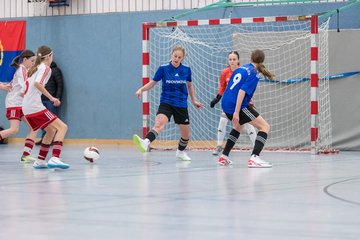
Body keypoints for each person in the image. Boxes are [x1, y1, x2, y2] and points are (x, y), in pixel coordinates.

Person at [133, 45, 203, 161]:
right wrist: (141, 89)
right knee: (159, 124)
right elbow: (152, 82)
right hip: (166, 102)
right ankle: (146, 142)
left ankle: (180, 152)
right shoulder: (163, 68)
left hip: (181, 104)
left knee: (186, 135)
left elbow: (189, 85)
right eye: (175, 56)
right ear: (171, 55)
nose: (176, 59)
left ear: (183, 58)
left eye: (179, 57)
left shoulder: (186, 69)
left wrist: (194, 100)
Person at [218, 49, 274, 168]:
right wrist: (237, 112)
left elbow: (232, 88)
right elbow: (241, 91)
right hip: (236, 105)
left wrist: (247, 103)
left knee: (238, 126)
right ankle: (255, 157)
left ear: (251, 58)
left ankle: (224, 156)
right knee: (265, 127)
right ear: (262, 60)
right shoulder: (254, 73)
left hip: (226, 103)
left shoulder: (241, 68)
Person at [22, 45, 69, 169]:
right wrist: (52, 98)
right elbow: (38, 84)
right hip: (34, 107)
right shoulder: (45, 68)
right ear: (48, 56)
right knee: (62, 127)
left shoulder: (35, 68)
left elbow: (26, 89)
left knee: (51, 130)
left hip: (26, 107)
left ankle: (40, 160)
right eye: (52, 56)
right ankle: (55, 158)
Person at [210, 51, 257, 155]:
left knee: (248, 123)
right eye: (230, 59)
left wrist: (249, 101)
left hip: (241, 104)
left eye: (234, 59)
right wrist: (216, 99)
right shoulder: (224, 72)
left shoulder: (244, 71)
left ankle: (256, 147)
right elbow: (222, 87)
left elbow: (247, 89)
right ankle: (219, 146)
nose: (232, 61)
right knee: (222, 121)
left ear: (238, 60)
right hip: (229, 103)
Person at [0, 50, 39, 162]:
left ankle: (26, 155)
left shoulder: (25, 70)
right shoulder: (22, 69)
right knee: (14, 129)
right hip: (14, 103)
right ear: (25, 60)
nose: (33, 63)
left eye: (34, 61)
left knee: (34, 126)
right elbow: (24, 87)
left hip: (21, 104)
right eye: (32, 61)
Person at [36, 61, 63, 145]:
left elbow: (60, 85)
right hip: (41, 100)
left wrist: (57, 98)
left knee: (53, 120)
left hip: (51, 101)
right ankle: (44, 138)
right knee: (44, 121)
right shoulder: (40, 71)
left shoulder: (55, 70)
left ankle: (53, 139)